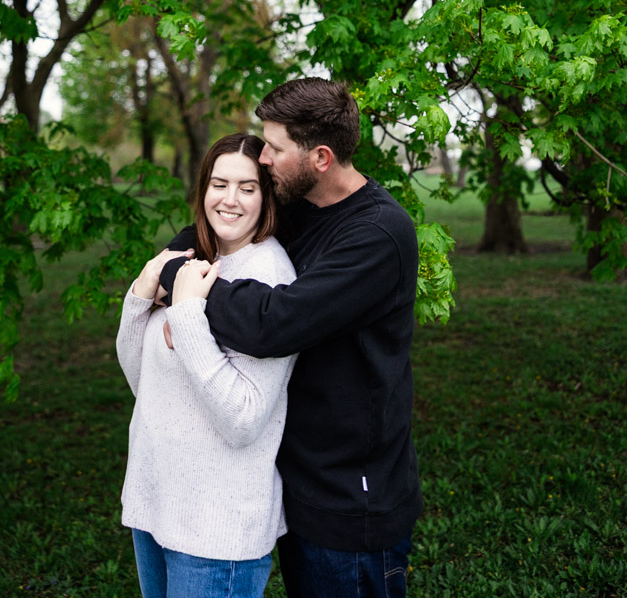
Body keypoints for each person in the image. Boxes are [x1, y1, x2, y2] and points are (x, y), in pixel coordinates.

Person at [159, 78, 422, 598]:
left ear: (320, 157)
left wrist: (183, 292)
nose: (263, 160)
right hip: (288, 481)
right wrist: (177, 263)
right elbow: (206, 234)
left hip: (349, 500)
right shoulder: (295, 203)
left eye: (275, 148)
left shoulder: (377, 235)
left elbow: (275, 324)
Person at [116, 133, 297, 598]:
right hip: (156, 503)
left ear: (267, 195)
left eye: (247, 187)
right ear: (202, 190)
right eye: (219, 184)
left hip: (217, 528)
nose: (229, 200)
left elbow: (242, 420)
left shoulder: (269, 276)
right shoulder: (191, 259)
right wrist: (140, 294)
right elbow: (144, 384)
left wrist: (188, 317)